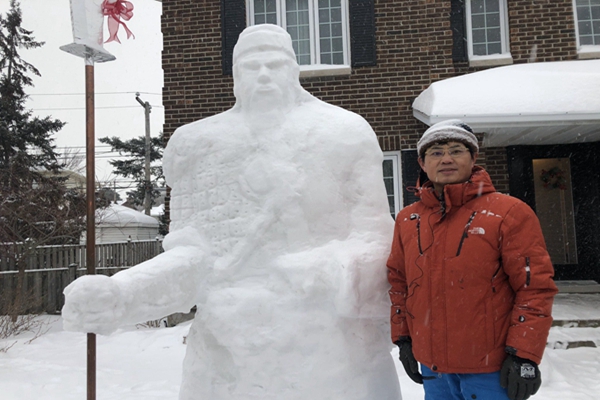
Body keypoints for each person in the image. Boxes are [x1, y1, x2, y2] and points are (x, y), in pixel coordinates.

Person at [62, 24, 401, 400]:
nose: (263, 75)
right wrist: (122, 294)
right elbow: (192, 257)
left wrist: (325, 269)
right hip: (227, 360)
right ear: (236, 76)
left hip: (327, 353)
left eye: (274, 64)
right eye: (250, 67)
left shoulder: (344, 132)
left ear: (294, 70)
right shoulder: (200, 144)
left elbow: (377, 240)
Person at [387, 120, 558, 400]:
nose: (447, 159)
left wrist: (524, 355)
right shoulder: (408, 219)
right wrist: (404, 338)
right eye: (436, 152)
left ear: (473, 157)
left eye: (456, 150)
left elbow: (535, 288)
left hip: (491, 369)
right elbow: (399, 283)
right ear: (421, 161)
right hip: (433, 368)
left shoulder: (509, 212)